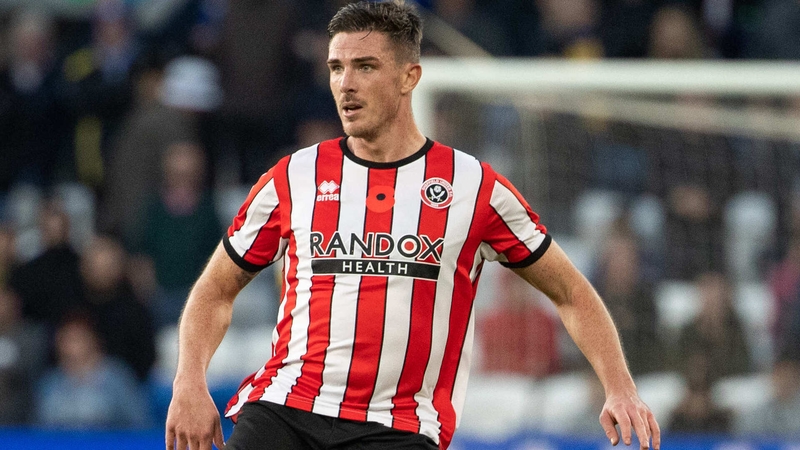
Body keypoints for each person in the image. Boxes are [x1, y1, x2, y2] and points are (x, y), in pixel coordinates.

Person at [165, 2, 660, 450]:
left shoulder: (474, 187)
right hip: (285, 412)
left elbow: (571, 292)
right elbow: (215, 291)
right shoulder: (294, 177)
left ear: (409, 77)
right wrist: (189, 381)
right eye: (337, 68)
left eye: (365, 66)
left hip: (397, 429)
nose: (346, 84)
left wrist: (620, 387)